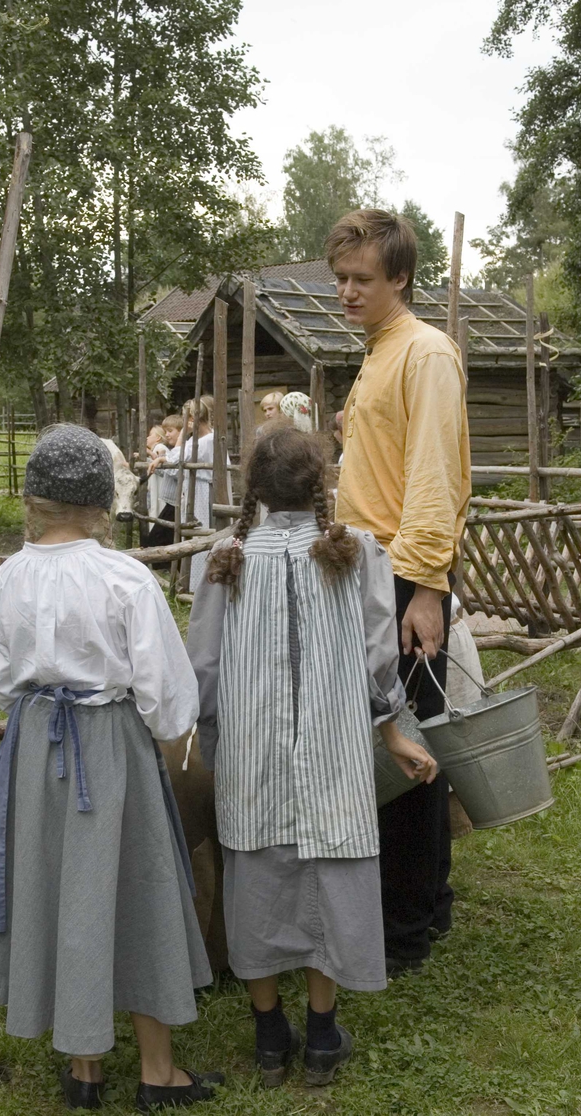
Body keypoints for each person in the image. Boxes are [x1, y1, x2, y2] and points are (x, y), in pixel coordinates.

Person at [0, 424, 224, 1113]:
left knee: (62, 893)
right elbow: (168, 700)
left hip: (33, 749)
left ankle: (85, 1070)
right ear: (103, 502)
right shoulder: (124, 577)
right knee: (136, 892)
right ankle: (157, 1072)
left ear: (36, 501)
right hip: (108, 749)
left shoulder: (10, 576)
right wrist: (164, 730)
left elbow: (1, 684)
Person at [185, 424, 437, 1089]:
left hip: (251, 758)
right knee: (331, 881)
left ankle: (270, 1036)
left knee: (258, 885)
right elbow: (379, 661)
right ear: (320, 481)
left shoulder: (222, 558)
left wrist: (209, 744)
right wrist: (394, 733)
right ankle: (321, 1034)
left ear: (252, 489)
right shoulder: (360, 553)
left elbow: (202, 670)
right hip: (334, 757)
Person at [325, 208, 472, 977]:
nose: (347, 293)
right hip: (374, 571)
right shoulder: (382, 350)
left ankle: (403, 931)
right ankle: (430, 906)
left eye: (363, 281)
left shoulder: (426, 353)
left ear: (401, 278)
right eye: (341, 279)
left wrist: (424, 589)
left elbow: (434, 479)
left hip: (402, 577)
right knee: (414, 740)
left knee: (406, 751)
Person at [180, 396, 232, 593]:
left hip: (205, 492)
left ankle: (205, 584)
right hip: (197, 490)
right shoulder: (197, 440)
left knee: (206, 535)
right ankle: (196, 583)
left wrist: (181, 435)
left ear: (193, 419)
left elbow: (177, 457)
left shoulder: (208, 440)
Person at [145, 415, 183, 549]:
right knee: (163, 537)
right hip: (171, 501)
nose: (167, 435)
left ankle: (168, 566)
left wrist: (160, 457)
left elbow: (174, 472)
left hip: (176, 502)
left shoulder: (177, 449)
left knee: (157, 538)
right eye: (165, 431)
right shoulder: (172, 450)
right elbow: (165, 472)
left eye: (170, 431)